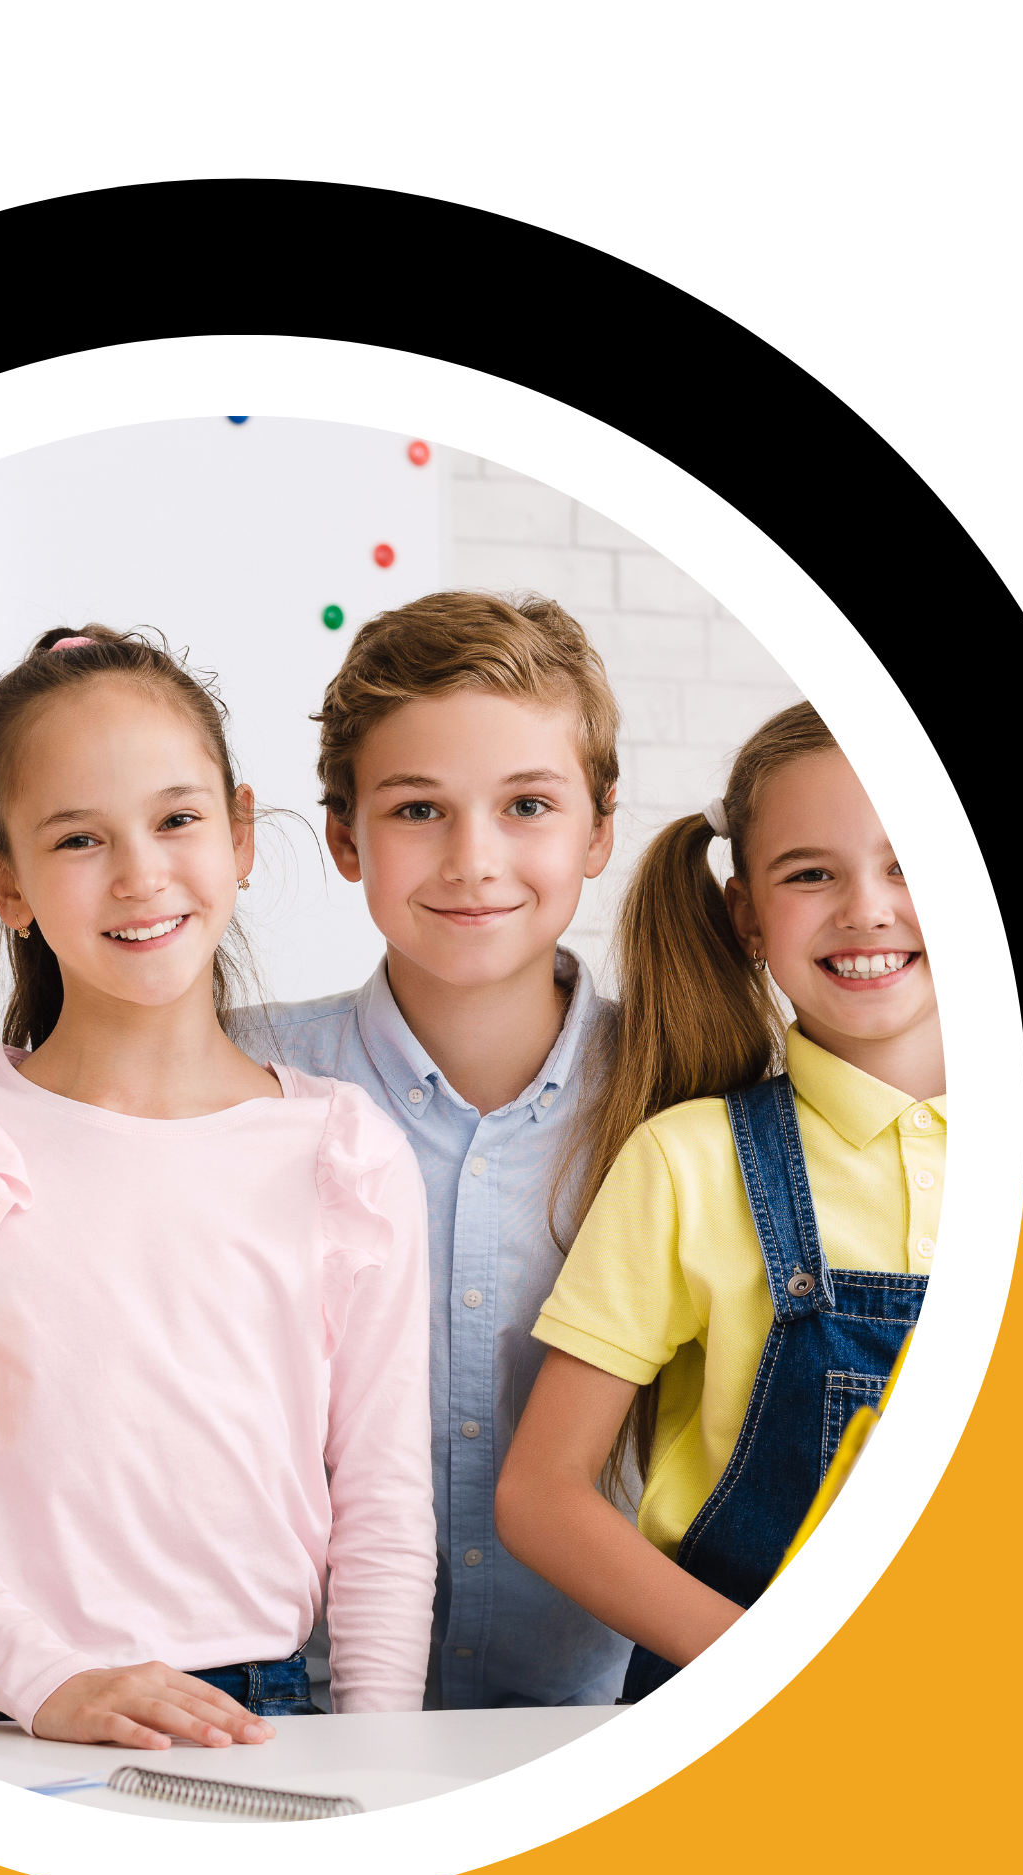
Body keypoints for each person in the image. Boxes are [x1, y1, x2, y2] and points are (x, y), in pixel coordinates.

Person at [0, 624, 434, 1754]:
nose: (140, 875)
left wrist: (377, 1760)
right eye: (78, 838)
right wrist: (49, 1685)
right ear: (6, 883)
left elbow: (381, 1512)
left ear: (239, 834)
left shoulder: (342, 1150)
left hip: (259, 1716)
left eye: (177, 820)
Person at [495, 706, 945, 1696]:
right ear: (746, 916)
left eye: (911, 862)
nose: (867, 907)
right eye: (811, 873)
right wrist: (772, 1672)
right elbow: (540, 1494)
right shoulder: (688, 1164)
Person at [233, 590, 629, 1709]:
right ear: (348, 837)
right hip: (281, 1715)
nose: (472, 859)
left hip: (593, 1721)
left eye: (527, 805)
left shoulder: (684, 1087)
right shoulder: (230, 1077)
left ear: (597, 829)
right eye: (419, 811)